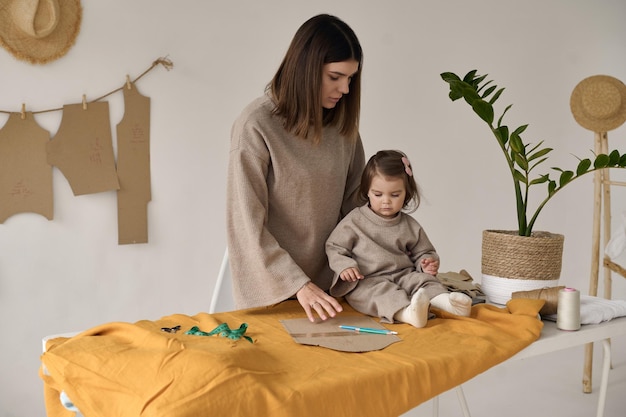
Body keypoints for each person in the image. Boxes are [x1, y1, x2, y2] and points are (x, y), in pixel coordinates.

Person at [227, 14, 365, 322]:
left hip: (335, 287)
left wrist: (396, 190)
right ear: (307, 68)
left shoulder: (343, 128)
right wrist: (298, 284)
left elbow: (358, 207)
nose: (344, 88)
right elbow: (246, 224)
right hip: (275, 291)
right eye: (335, 77)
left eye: (350, 78)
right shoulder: (256, 125)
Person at [325, 150, 472, 328]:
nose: (386, 201)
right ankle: (408, 313)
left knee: (424, 282)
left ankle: (448, 303)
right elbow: (334, 246)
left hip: (404, 274)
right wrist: (344, 266)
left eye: (395, 195)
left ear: (406, 193)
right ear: (367, 191)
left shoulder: (410, 225)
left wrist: (426, 263)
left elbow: (424, 252)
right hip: (368, 280)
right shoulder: (354, 221)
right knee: (380, 294)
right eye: (378, 194)